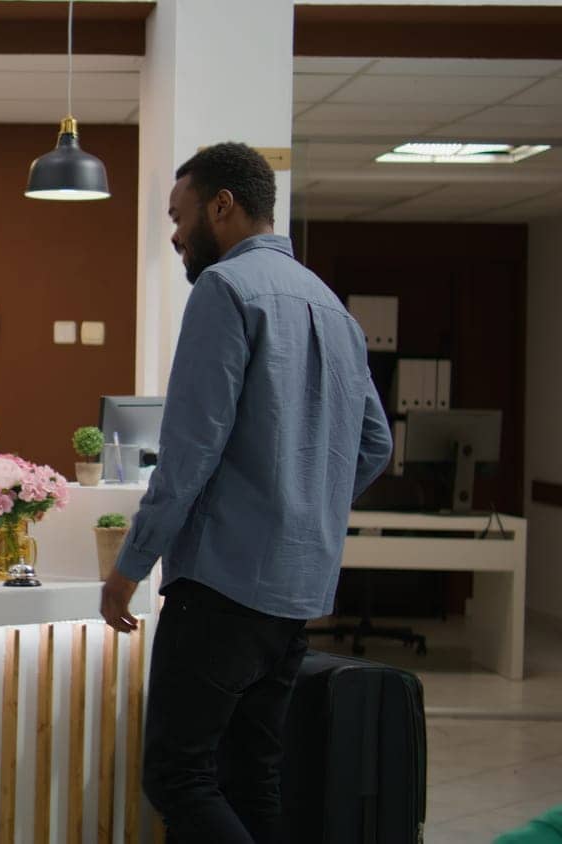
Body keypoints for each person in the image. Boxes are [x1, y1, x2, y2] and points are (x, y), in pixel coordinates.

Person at [98, 142, 393, 843]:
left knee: (177, 776)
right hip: (297, 590)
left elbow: (188, 453)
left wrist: (128, 568)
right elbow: (376, 443)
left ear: (221, 207)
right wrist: (304, 505)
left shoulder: (225, 291)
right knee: (250, 772)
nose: (173, 235)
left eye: (178, 216)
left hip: (223, 587)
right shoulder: (330, 304)